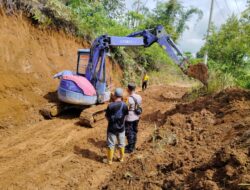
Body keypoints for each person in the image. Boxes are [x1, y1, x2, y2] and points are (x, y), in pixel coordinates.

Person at [105, 88, 128, 164]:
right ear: (121, 96)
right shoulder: (125, 105)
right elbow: (125, 116)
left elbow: (107, 117)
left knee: (111, 144)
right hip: (121, 128)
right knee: (121, 143)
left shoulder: (110, 106)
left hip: (112, 128)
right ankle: (121, 158)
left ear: (114, 96)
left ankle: (109, 161)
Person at [125, 83, 142, 153]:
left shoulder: (128, 99)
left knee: (129, 132)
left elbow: (126, 108)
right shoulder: (139, 97)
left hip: (130, 117)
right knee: (134, 131)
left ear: (128, 89)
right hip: (137, 117)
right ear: (135, 89)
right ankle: (132, 145)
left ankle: (130, 148)